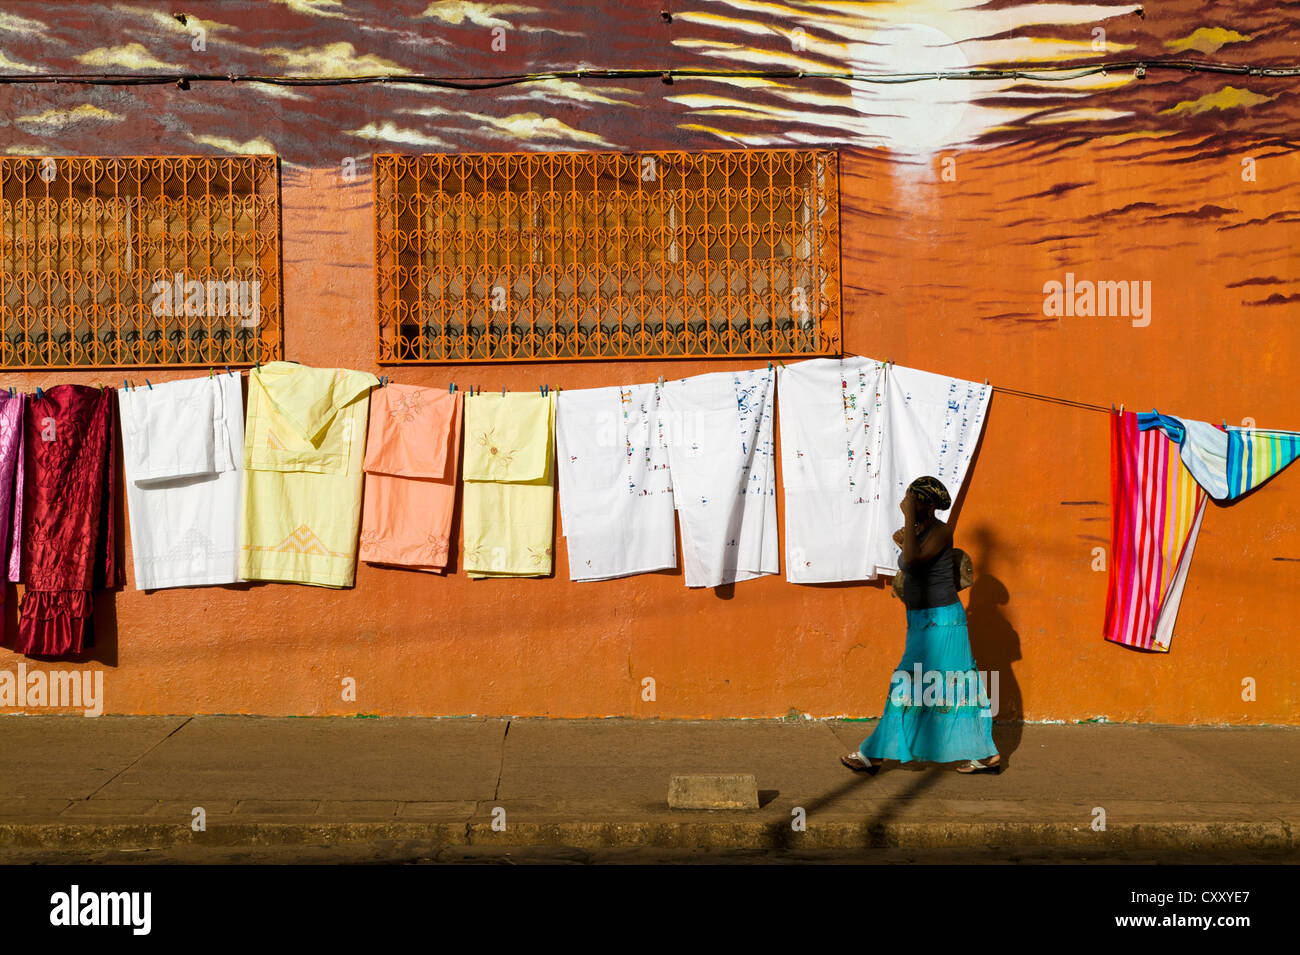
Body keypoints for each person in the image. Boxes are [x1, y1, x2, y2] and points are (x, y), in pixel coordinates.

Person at [840, 476, 1001, 775]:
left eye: (914, 499)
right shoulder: (922, 531)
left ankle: (873, 754)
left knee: (924, 683)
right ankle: (986, 755)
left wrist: (908, 519)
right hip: (922, 620)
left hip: (942, 622)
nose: (908, 502)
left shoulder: (941, 531)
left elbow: (912, 561)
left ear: (927, 505)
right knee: (947, 686)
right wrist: (908, 531)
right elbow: (912, 556)